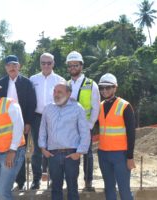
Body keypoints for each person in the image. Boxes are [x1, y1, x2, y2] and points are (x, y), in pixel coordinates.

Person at [38, 81, 90, 200]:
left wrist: (79, 152)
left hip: (71, 154)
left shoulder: (77, 108)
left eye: (60, 92)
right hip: (53, 154)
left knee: (72, 187)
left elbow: (85, 132)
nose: (56, 94)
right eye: (55, 91)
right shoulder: (48, 108)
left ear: (69, 93)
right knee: (56, 188)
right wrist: (43, 148)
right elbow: (42, 130)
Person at [0, 55, 37, 190]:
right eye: (9, 65)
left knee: (20, 153)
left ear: (19, 66)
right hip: (3, 126)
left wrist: (28, 123)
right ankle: (7, 181)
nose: (12, 68)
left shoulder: (27, 83)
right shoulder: (0, 84)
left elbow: (32, 104)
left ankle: (20, 182)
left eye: (14, 65)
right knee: (5, 152)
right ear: (6, 68)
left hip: (21, 124)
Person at [97, 73, 136, 200]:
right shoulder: (100, 106)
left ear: (115, 88)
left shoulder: (125, 106)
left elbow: (131, 133)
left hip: (120, 155)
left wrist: (130, 157)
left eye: (108, 87)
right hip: (103, 154)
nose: (104, 90)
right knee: (109, 189)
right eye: (102, 88)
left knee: (124, 189)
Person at [29, 52, 65, 190]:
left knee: (53, 149)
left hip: (54, 118)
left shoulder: (60, 80)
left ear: (53, 64)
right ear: (40, 64)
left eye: (49, 63)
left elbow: (64, 101)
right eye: (43, 63)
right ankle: (36, 180)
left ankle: (53, 179)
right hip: (37, 118)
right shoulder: (33, 79)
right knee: (37, 150)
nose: (46, 65)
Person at [66, 50, 100, 191]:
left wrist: (90, 125)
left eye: (76, 65)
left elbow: (95, 107)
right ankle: (71, 181)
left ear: (81, 66)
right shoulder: (65, 84)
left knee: (87, 154)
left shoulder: (91, 84)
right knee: (71, 154)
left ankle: (88, 182)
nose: (73, 68)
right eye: (70, 65)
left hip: (85, 126)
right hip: (69, 127)